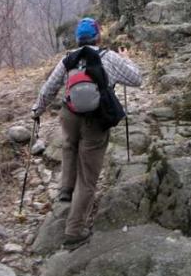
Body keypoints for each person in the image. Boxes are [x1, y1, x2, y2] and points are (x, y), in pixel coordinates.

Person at [31, 17, 142, 248]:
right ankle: (74, 231)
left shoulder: (67, 60)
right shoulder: (108, 58)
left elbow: (48, 89)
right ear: (98, 37)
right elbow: (136, 79)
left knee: (70, 145)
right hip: (95, 118)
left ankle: (65, 191)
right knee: (88, 177)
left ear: (78, 39)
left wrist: (36, 111)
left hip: (69, 115)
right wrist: (127, 59)